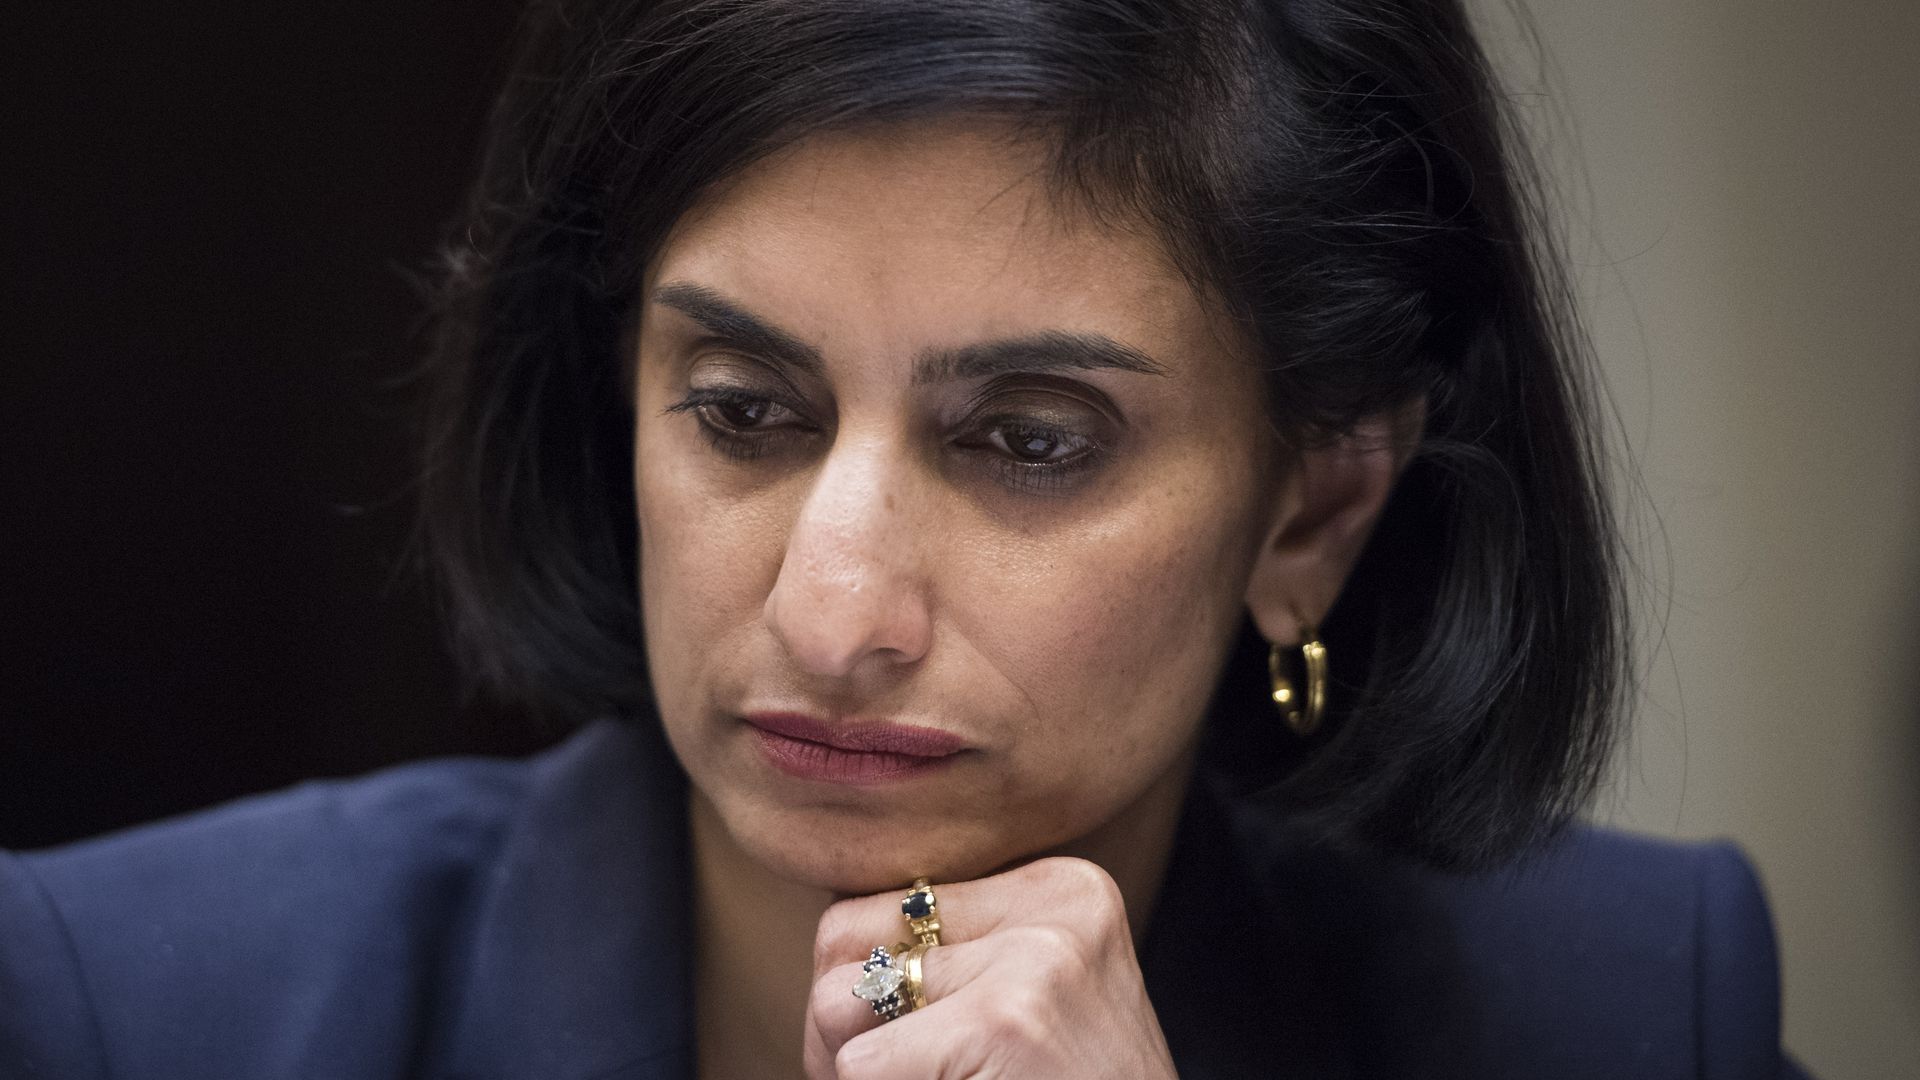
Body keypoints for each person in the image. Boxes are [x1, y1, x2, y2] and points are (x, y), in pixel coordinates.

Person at [0, 0, 1812, 1077]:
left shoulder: (1628, 1011)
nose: (833, 606)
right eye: (743, 410)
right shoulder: (125, 1004)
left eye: (1030, 441)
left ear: (1315, 505)